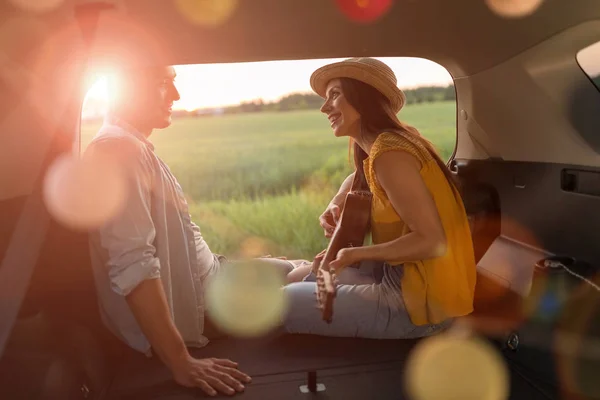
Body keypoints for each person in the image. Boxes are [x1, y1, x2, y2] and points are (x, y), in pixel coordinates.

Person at [85, 65, 279, 397]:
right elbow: (134, 263)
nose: (176, 95)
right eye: (164, 83)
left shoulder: (131, 144)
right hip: (206, 303)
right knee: (310, 287)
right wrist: (180, 361)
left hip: (216, 274)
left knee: (296, 268)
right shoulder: (117, 150)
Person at [282, 57, 477, 339]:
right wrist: (337, 200)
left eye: (334, 94)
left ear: (363, 98)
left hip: (419, 303)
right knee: (301, 276)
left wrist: (355, 254)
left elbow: (432, 241)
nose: (324, 108)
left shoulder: (390, 154)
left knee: (283, 300)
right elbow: (362, 177)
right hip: (406, 276)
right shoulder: (389, 144)